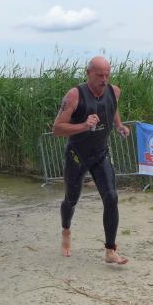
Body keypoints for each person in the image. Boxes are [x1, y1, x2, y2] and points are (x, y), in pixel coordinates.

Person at [53, 56, 131, 264]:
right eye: (99, 75)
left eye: (107, 75)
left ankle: (110, 251)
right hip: (77, 155)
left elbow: (113, 108)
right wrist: (84, 126)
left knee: (111, 197)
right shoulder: (74, 95)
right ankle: (66, 231)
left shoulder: (114, 91)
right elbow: (57, 128)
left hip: (100, 154)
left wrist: (119, 126)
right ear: (88, 73)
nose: (104, 80)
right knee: (71, 199)